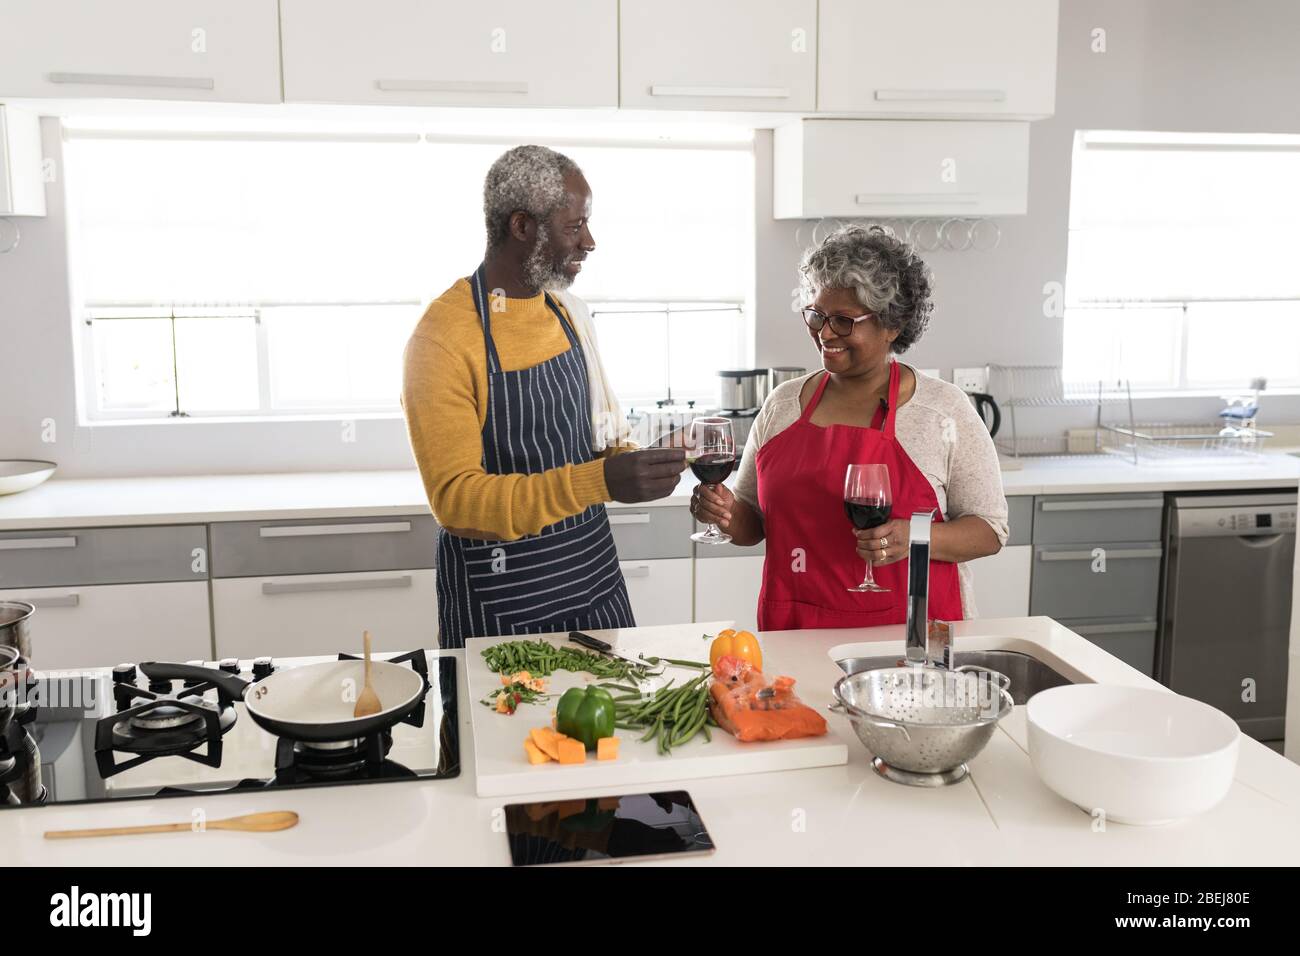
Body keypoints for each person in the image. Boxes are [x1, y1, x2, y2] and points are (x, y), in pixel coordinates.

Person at [402, 145, 685, 647]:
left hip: (596, 587)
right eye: (574, 226)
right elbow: (458, 502)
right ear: (522, 227)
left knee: (615, 726)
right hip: (500, 608)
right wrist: (601, 480)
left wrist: (648, 460)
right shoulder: (443, 340)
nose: (590, 241)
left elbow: (603, 440)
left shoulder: (569, 313)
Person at [689, 225, 1007, 629]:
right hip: (795, 630)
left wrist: (914, 537)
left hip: (911, 635)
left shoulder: (941, 410)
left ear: (892, 324)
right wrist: (723, 513)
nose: (824, 333)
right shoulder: (783, 404)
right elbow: (753, 523)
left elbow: (990, 531)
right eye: (817, 315)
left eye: (843, 321)